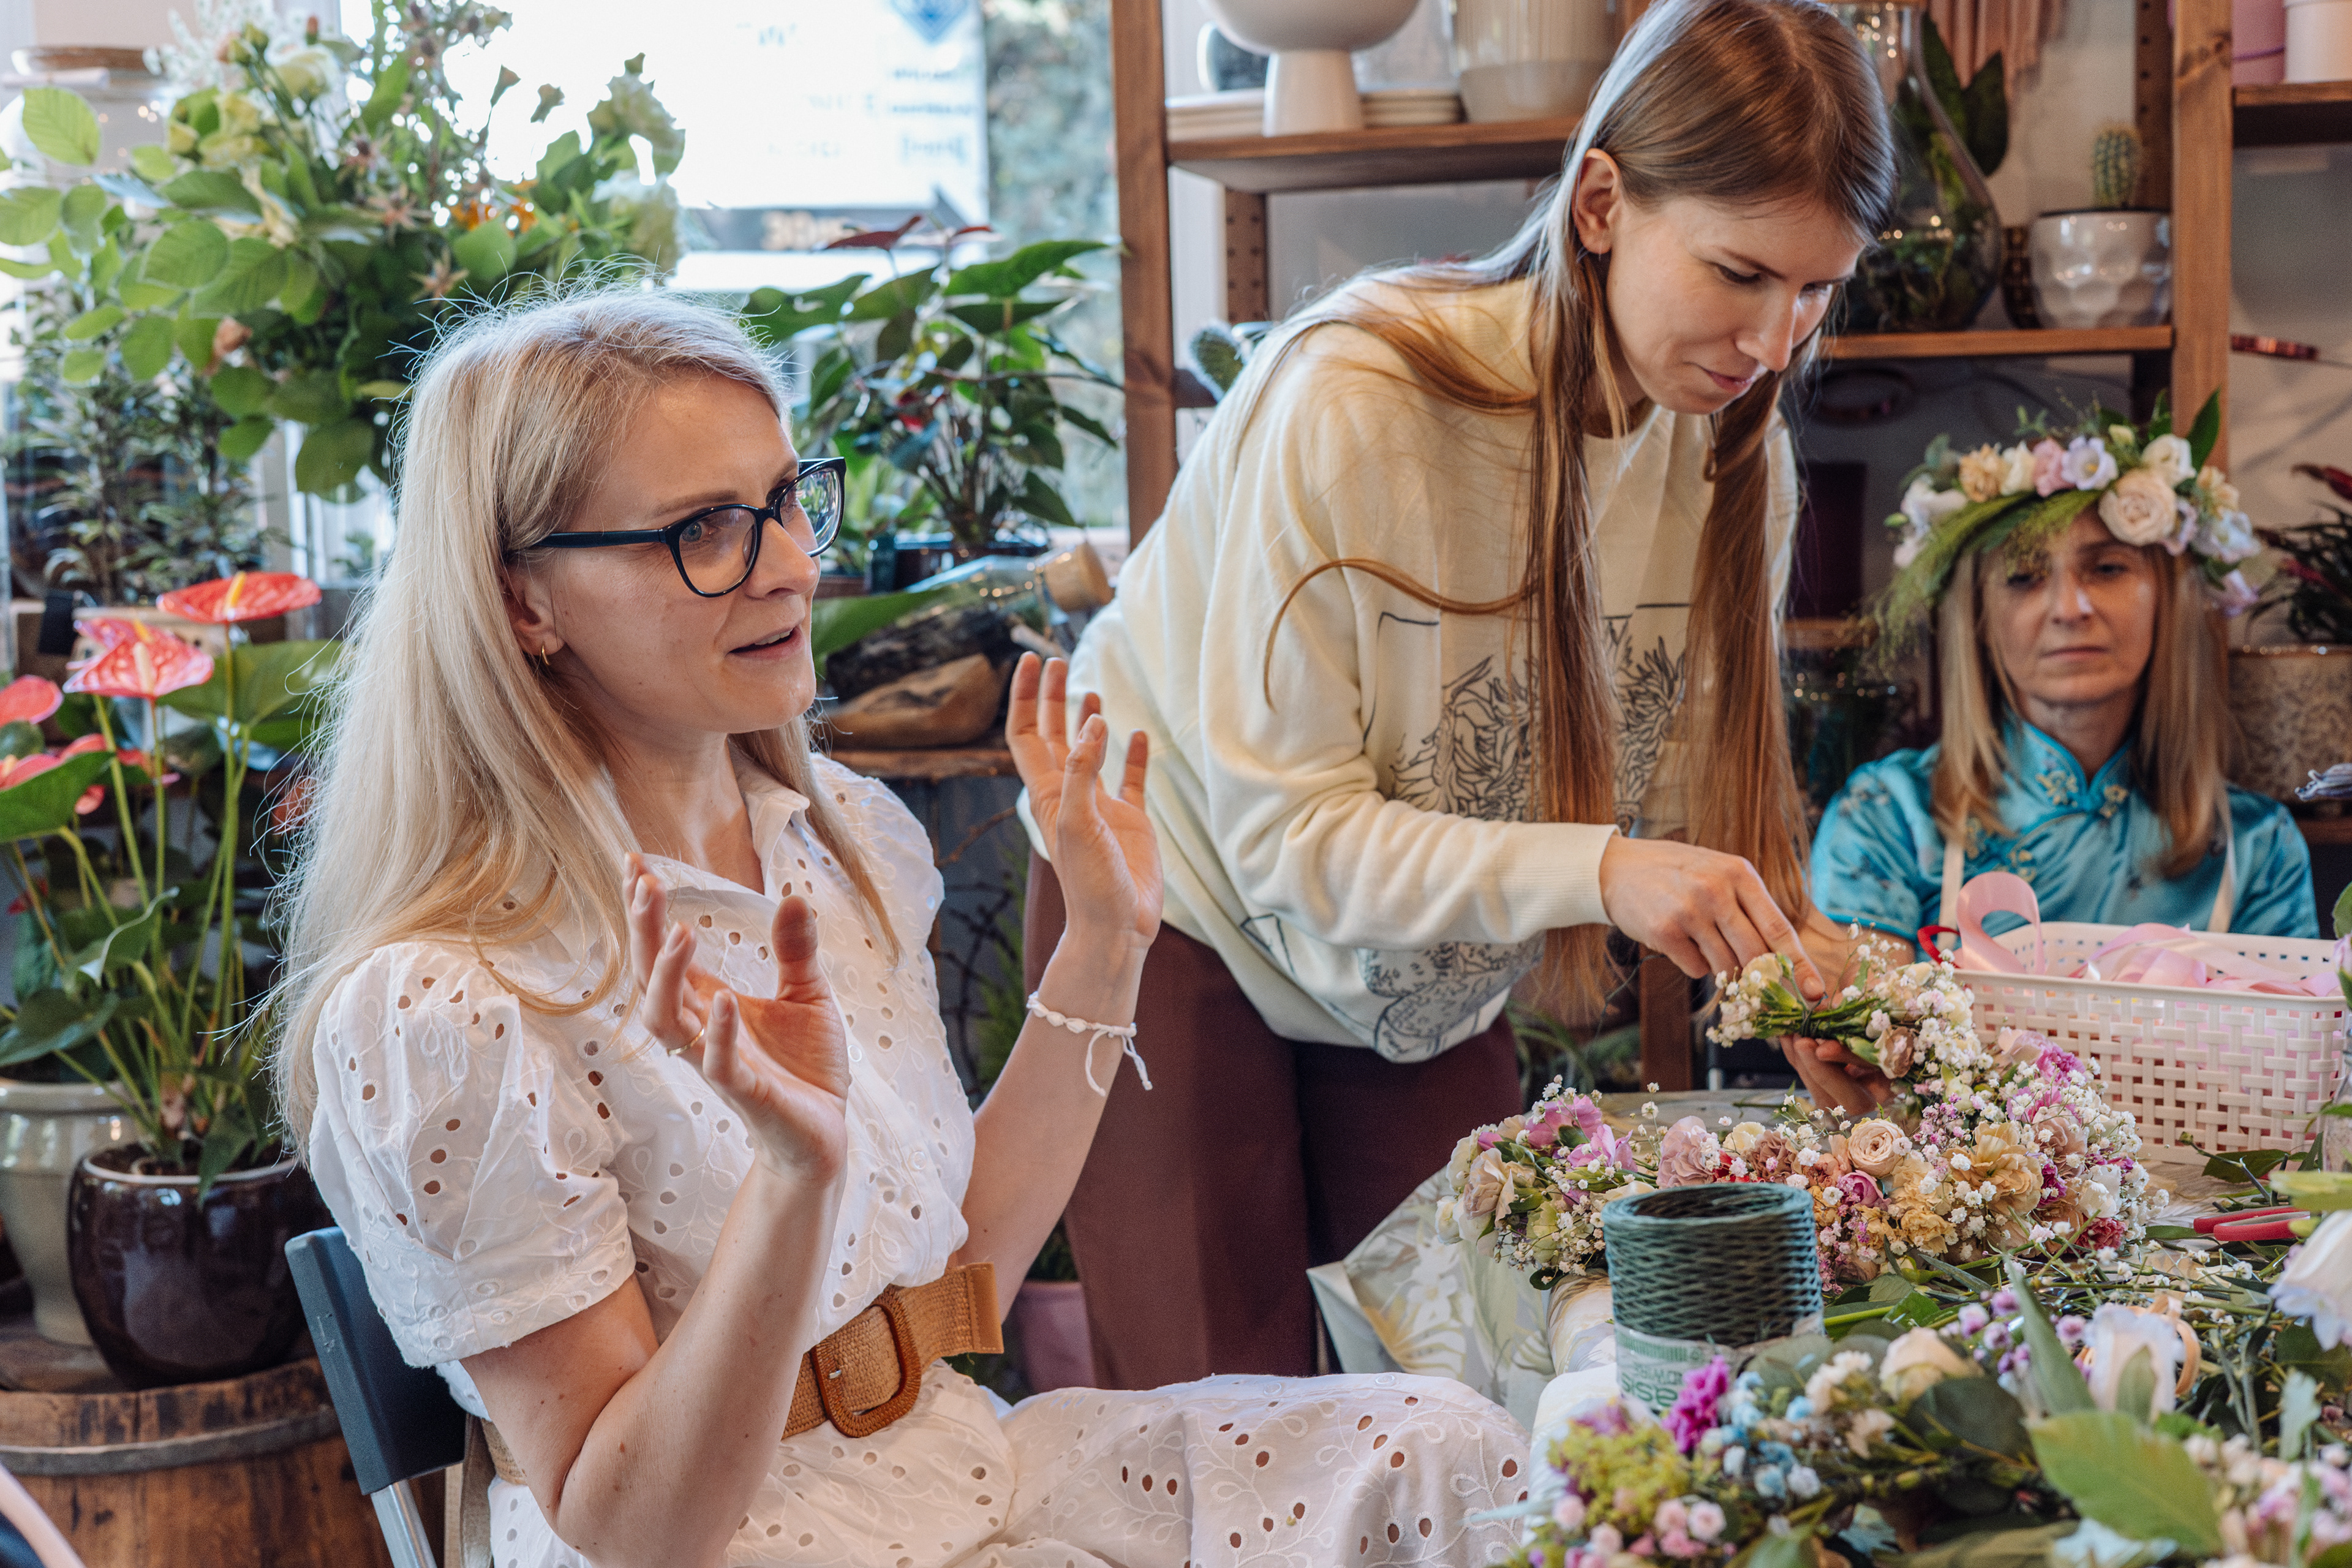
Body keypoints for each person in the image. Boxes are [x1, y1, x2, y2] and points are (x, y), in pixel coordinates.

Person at [273, 293, 1529, 1568]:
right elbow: (637, 1525)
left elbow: (959, 1269)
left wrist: (1104, 945)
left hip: (954, 1468)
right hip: (740, 1545)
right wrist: (791, 1178)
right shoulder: (451, 1007)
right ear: (525, 604)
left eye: (783, 499)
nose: (787, 565)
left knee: (1451, 1450)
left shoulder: (845, 846)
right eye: (704, 529)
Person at [1020, 0, 1898, 1390]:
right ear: (1600, 204)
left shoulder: (1735, 457)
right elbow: (1287, 845)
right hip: (1176, 909)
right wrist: (1601, 871)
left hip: (1419, 973)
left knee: (1470, 1395)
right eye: (1739, 272)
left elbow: (1686, 806)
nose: (1773, 341)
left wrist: (1791, 978)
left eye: (1814, 290)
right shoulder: (1358, 399)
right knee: (1225, 1418)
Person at [1808, 505, 2318, 1014]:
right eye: (2024, 576)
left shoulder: (2257, 847)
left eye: (2107, 568)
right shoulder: (1888, 815)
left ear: (2169, 597)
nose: (2069, 608)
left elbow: (2294, 1053)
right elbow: (1867, 1041)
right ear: (1978, 615)